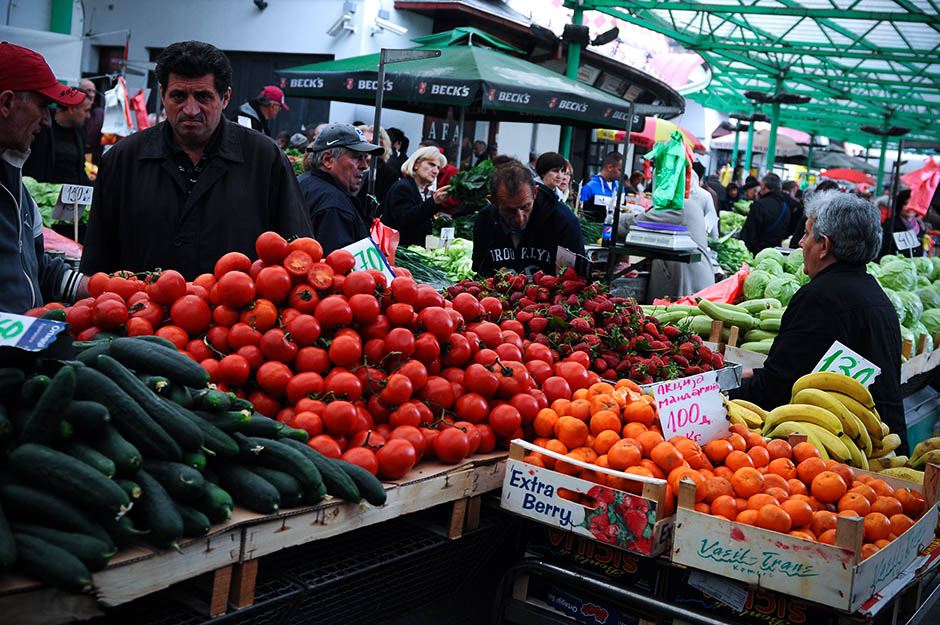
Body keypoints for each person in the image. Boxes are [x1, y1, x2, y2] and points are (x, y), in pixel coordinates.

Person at [81, 41, 310, 279]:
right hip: (138, 312)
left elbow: (299, 252)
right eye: (178, 96)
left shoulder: (265, 159)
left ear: (225, 98)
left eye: (203, 97)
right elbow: (97, 261)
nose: (190, 109)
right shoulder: (122, 160)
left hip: (242, 314)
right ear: (162, 94)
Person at [730, 191, 906, 452]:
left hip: (851, 454)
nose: (800, 243)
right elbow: (804, 369)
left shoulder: (821, 298)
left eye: (807, 233)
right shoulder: (874, 294)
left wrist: (720, 390)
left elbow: (777, 389)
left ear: (824, 246)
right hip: (884, 444)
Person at [0, 42, 88, 312]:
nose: (48, 121)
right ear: (6, 102)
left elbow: (35, 267)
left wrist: (103, 287)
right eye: (43, 105)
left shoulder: (16, 186)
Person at [472, 160, 584, 276]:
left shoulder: (563, 221)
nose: (519, 218)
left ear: (535, 193)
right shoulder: (485, 220)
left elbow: (575, 279)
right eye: (509, 210)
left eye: (525, 207)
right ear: (493, 201)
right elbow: (481, 273)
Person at [621, 170, 715, 298]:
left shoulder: (680, 206)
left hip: (688, 281)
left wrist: (612, 219)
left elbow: (638, 221)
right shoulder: (690, 204)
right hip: (695, 278)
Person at [300, 123, 383, 254]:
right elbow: (340, 267)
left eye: (365, 157)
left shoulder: (303, 181)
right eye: (357, 157)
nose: (365, 166)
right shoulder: (335, 206)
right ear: (328, 160)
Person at [382, 146, 451, 247]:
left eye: (438, 168)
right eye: (431, 164)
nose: (436, 171)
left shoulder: (418, 189)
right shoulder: (403, 187)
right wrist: (433, 202)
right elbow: (405, 219)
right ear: (416, 164)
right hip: (400, 253)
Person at [23, 89, 93, 184]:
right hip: (43, 193)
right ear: (72, 109)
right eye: (86, 111)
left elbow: (79, 168)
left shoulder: (80, 131)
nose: (88, 116)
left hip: (71, 195)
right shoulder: (41, 126)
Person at [740, 173, 796, 254]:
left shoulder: (759, 205)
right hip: (775, 253)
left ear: (763, 186)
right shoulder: (786, 207)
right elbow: (788, 231)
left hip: (756, 252)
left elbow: (748, 234)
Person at [579, 151, 623, 223]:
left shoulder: (620, 187)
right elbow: (582, 216)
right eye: (620, 170)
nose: (622, 173)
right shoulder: (589, 187)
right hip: (595, 231)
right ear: (610, 167)